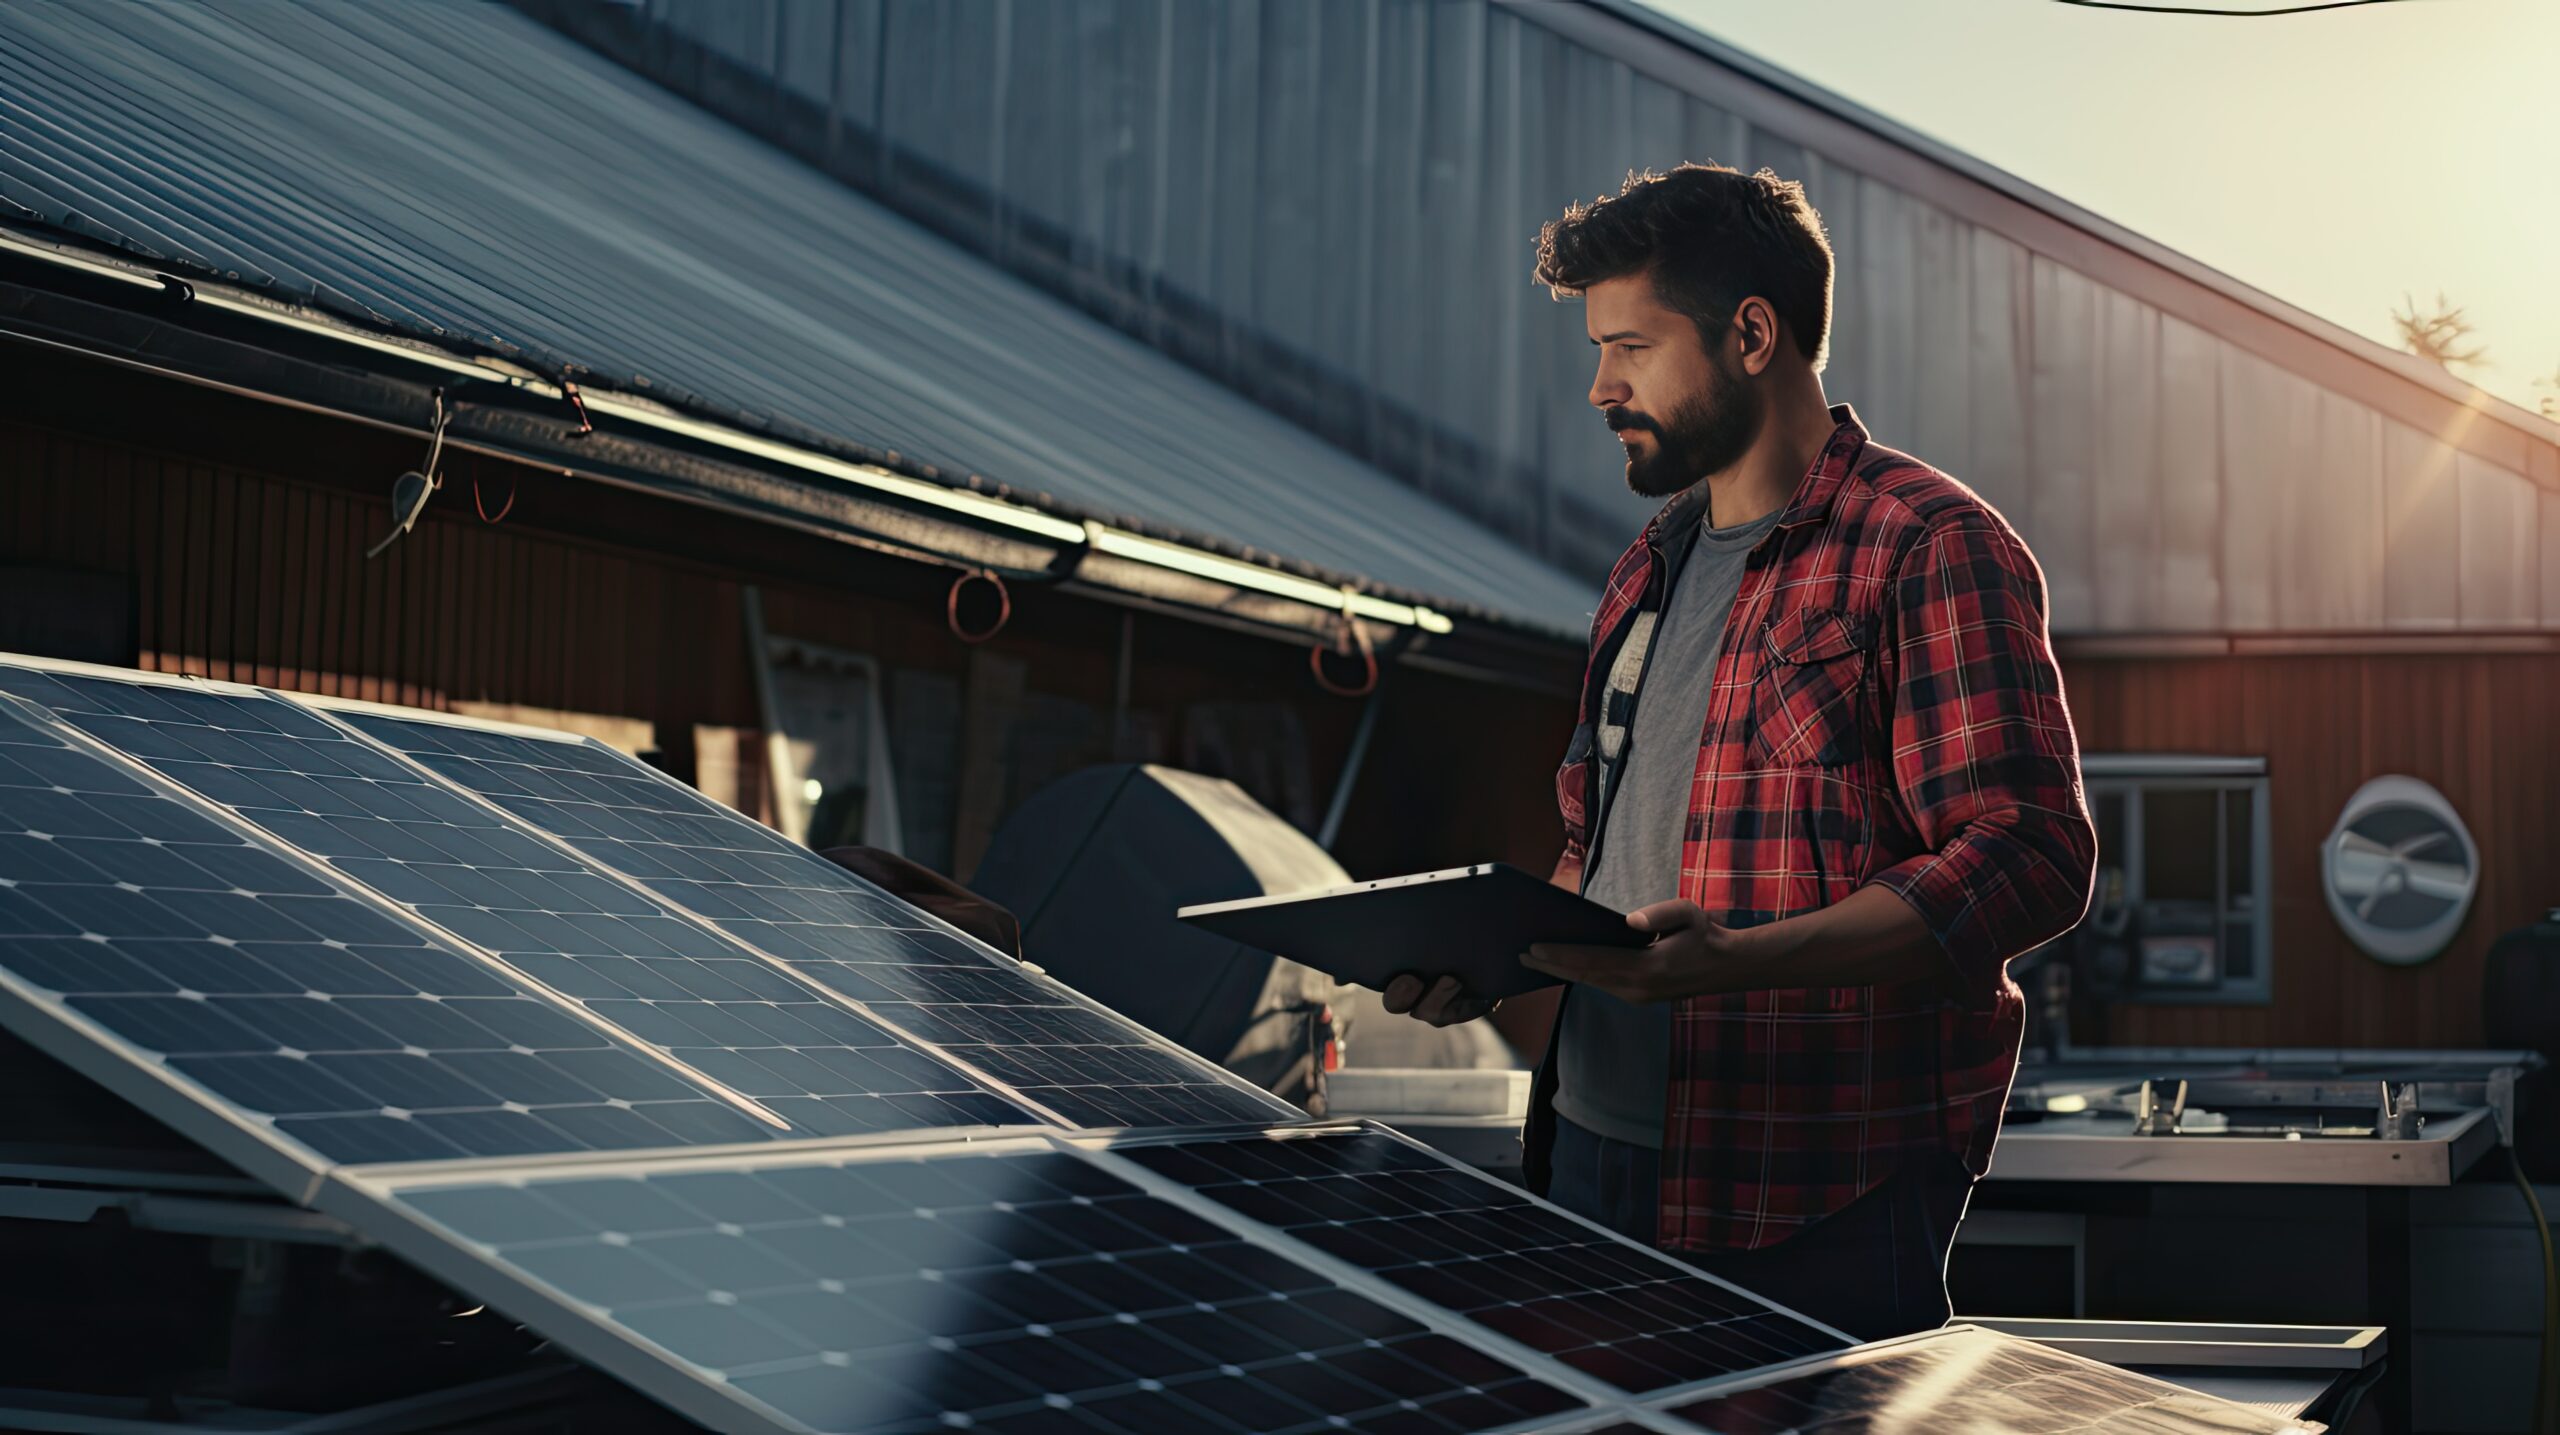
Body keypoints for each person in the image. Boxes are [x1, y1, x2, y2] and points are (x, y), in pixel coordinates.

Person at [1382, 163, 2097, 1341]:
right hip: (1588, 1157)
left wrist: (1742, 960)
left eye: (1631, 346)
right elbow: (1595, 857)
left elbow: (2029, 857)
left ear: (1752, 333)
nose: (1601, 385)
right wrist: (1489, 953)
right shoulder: (1643, 571)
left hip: (1814, 1191)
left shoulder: (1926, 544)